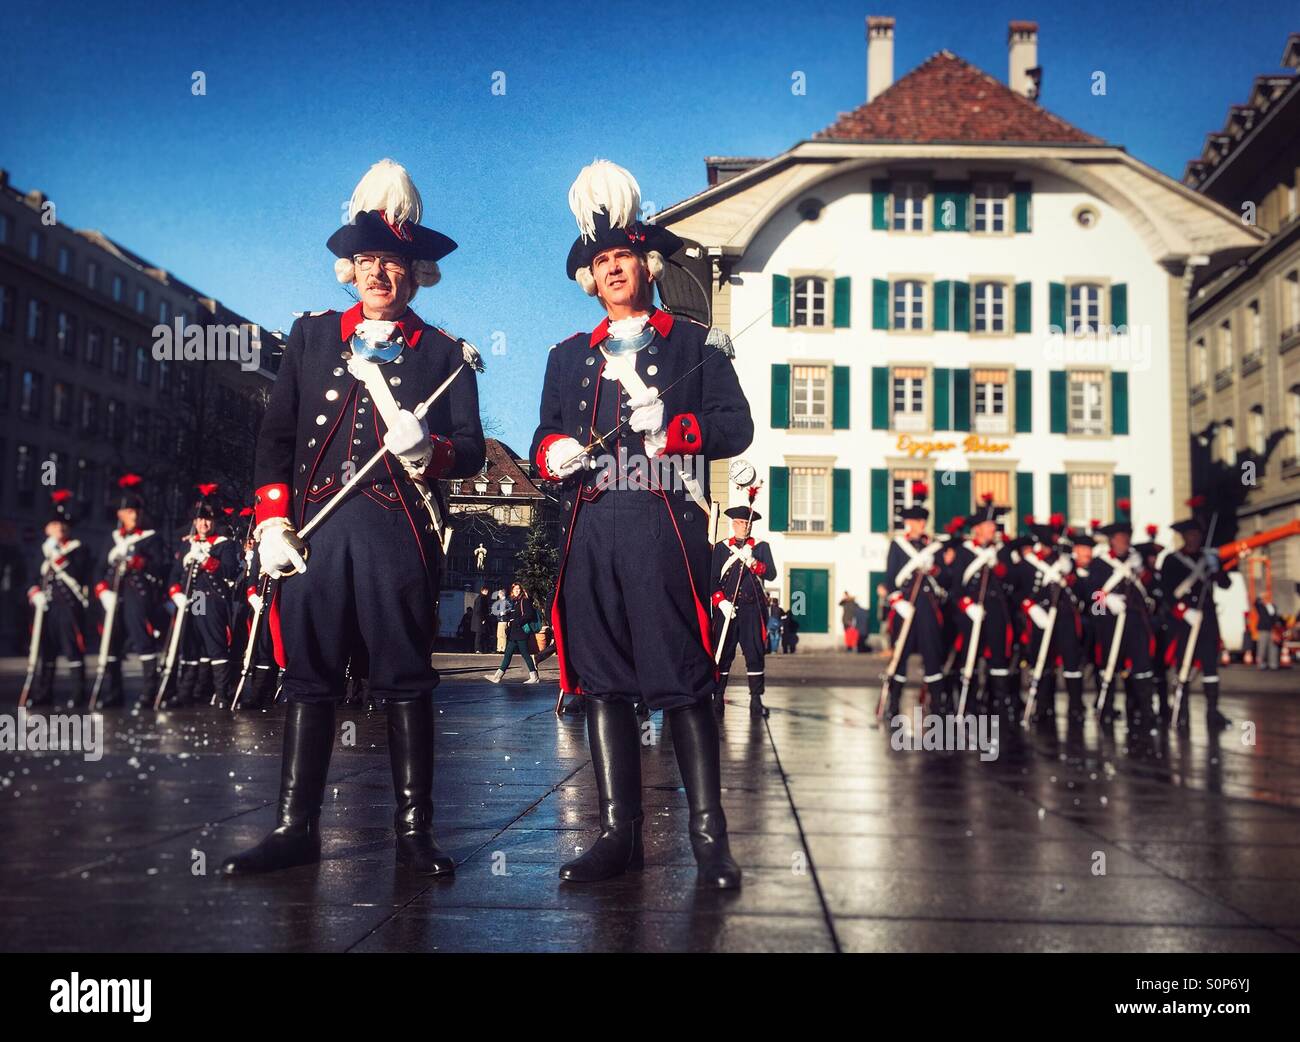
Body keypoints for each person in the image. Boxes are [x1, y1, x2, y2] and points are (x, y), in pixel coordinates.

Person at [222, 159, 485, 877]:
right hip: (313, 535)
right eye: (366, 260)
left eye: (392, 263)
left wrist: (429, 451)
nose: (377, 274)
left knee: (405, 679)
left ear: (414, 273)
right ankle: (293, 829)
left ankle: (412, 836)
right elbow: (276, 438)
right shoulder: (310, 338)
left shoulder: (443, 353)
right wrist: (271, 520)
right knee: (309, 679)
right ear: (350, 267)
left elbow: (469, 452)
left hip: (396, 535)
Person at [530, 160, 752, 888]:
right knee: (601, 685)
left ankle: (709, 838)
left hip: (663, 521)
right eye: (601, 261)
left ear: (646, 264)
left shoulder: (694, 344)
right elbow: (544, 436)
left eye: (623, 255)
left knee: (684, 682)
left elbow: (736, 425)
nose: (614, 268)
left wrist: (679, 427)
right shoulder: (568, 356)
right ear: (590, 279)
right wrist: (551, 452)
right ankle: (618, 834)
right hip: (592, 530)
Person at [92, 474, 166, 709]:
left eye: (136, 511)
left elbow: (161, 566)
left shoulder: (151, 538)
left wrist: (142, 563)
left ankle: (149, 691)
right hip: (114, 596)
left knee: (143, 641)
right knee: (112, 643)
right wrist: (103, 591)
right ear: (120, 515)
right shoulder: (112, 539)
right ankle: (113, 693)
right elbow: (100, 569)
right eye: (129, 512)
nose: (133, 515)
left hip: (138, 595)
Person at [165, 484, 242, 707]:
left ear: (214, 522)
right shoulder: (187, 545)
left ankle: (222, 694)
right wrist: (176, 594)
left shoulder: (224, 545)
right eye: (199, 520)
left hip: (212, 599)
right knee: (191, 644)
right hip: (192, 600)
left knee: (215, 644)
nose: (203, 524)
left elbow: (230, 571)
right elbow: (174, 575)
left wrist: (207, 560)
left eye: (207, 519)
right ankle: (186, 692)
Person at [1158, 512, 1232, 731]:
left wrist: (1216, 568)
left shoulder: (1208, 558)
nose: (1194, 538)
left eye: (1197, 534)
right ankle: (1182, 710)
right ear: (1183, 537)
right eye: (1189, 534)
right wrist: (1183, 611)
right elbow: (1167, 593)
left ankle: (1212, 711)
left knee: (1211, 665)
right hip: (1184, 620)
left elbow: (1225, 584)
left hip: (1206, 617)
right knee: (1183, 665)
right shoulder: (1172, 560)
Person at [944, 495, 1015, 718]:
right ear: (977, 529)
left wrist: (1000, 567)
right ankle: (969, 704)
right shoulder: (964, 552)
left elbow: (1011, 581)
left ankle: (997, 702)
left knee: (998, 657)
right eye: (988, 525)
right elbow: (955, 588)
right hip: (971, 613)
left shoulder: (1001, 551)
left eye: (993, 525)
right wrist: (968, 606)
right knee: (970, 657)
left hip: (995, 611)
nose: (993, 529)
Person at [883, 483, 950, 715]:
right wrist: (897, 601)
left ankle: (937, 703)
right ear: (908, 524)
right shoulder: (898, 545)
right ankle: (894, 703)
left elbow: (946, 580)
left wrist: (936, 571)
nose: (919, 526)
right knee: (900, 656)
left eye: (922, 522)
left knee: (932, 654)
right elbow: (890, 578)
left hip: (927, 608)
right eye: (915, 522)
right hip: (905, 608)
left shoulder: (934, 547)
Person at [1087, 513, 1158, 732]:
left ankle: (1143, 709)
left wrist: (1141, 571)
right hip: (1108, 624)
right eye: (1119, 538)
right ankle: (1106, 708)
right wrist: (1106, 600)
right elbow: (1093, 601)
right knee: (1108, 667)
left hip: (1134, 622)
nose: (1124, 542)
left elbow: (1150, 591)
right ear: (1111, 540)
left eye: (1126, 537)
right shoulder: (1099, 565)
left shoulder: (1136, 562)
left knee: (1141, 666)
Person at [1015, 514, 1085, 726]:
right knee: (1042, 663)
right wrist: (1031, 607)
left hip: (1064, 617)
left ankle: (1075, 706)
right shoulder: (1028, 564)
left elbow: (1087, 592)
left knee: (1071, 663)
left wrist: (1070, 575)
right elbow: (1017, 592)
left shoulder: (1067, 562)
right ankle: (1044, 706)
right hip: (1040, 618)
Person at [24, 490, 90, 707]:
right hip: (47, 608)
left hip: (69, 607)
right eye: (54, 525)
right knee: (46, 651)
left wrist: (57, 556)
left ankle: (79, 693)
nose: (59, 529)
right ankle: (44, 691)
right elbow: (32, 577)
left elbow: (79, 573)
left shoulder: (78, 549)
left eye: (62, 525)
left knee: (73, 650)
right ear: (47, 529)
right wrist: (35, 594)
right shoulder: (41, 551)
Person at [710, 505, 777, 718]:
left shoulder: (761, 547)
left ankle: (756, 701)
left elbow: (772, 574)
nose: (744, 527)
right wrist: (721, 602)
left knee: (755, 654)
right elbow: (711, 581)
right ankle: (717, 699)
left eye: (748, 523)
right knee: (722, 655)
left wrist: (754, 562)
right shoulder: (721, 549)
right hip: (727, 611)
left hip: (751, 610)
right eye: (740, 523)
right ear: (733, 524)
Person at [484, 581, 541, 684]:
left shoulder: (524, 600)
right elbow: (516, 615)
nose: (516, 591)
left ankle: (534, 676)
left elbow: (529, 615)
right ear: (512, 591)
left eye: (518, 589)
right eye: (515, 589)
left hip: (521, 632)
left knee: (525, 654)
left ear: (521, 590)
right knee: (508, 654)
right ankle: (497, 677)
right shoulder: (516, 601)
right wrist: (509, 616)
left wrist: (517, 621)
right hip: (515, 632)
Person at [471, 583, 492, 653]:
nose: (487, 592)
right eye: (485, 591)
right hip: (480, 620)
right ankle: (478, 649)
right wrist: (483, 619)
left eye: (487, 591)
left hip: (479, 619)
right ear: (482, 591)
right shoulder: (481, 598)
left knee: (480, 635)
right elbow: (479, 610)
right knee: (479, 635)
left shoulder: (480, 598)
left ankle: (480, 649)